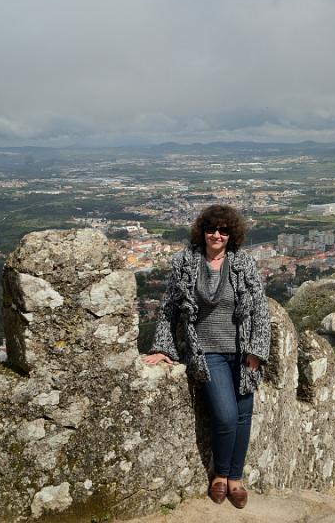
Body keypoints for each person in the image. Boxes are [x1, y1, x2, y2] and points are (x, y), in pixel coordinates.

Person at [142, 204, 270, 509]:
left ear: (231, 234)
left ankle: (236, 479)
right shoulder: (186, 264)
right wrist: (162, 347)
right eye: (212, 229)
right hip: (206, 352)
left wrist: (256, 352)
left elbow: (261, 311)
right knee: (226, 416)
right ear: (202, 231)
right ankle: (220, 476)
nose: (217, 235)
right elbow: (169, 309)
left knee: (242, 416)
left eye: (224, 230)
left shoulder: (244, 264)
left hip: (242, 351)